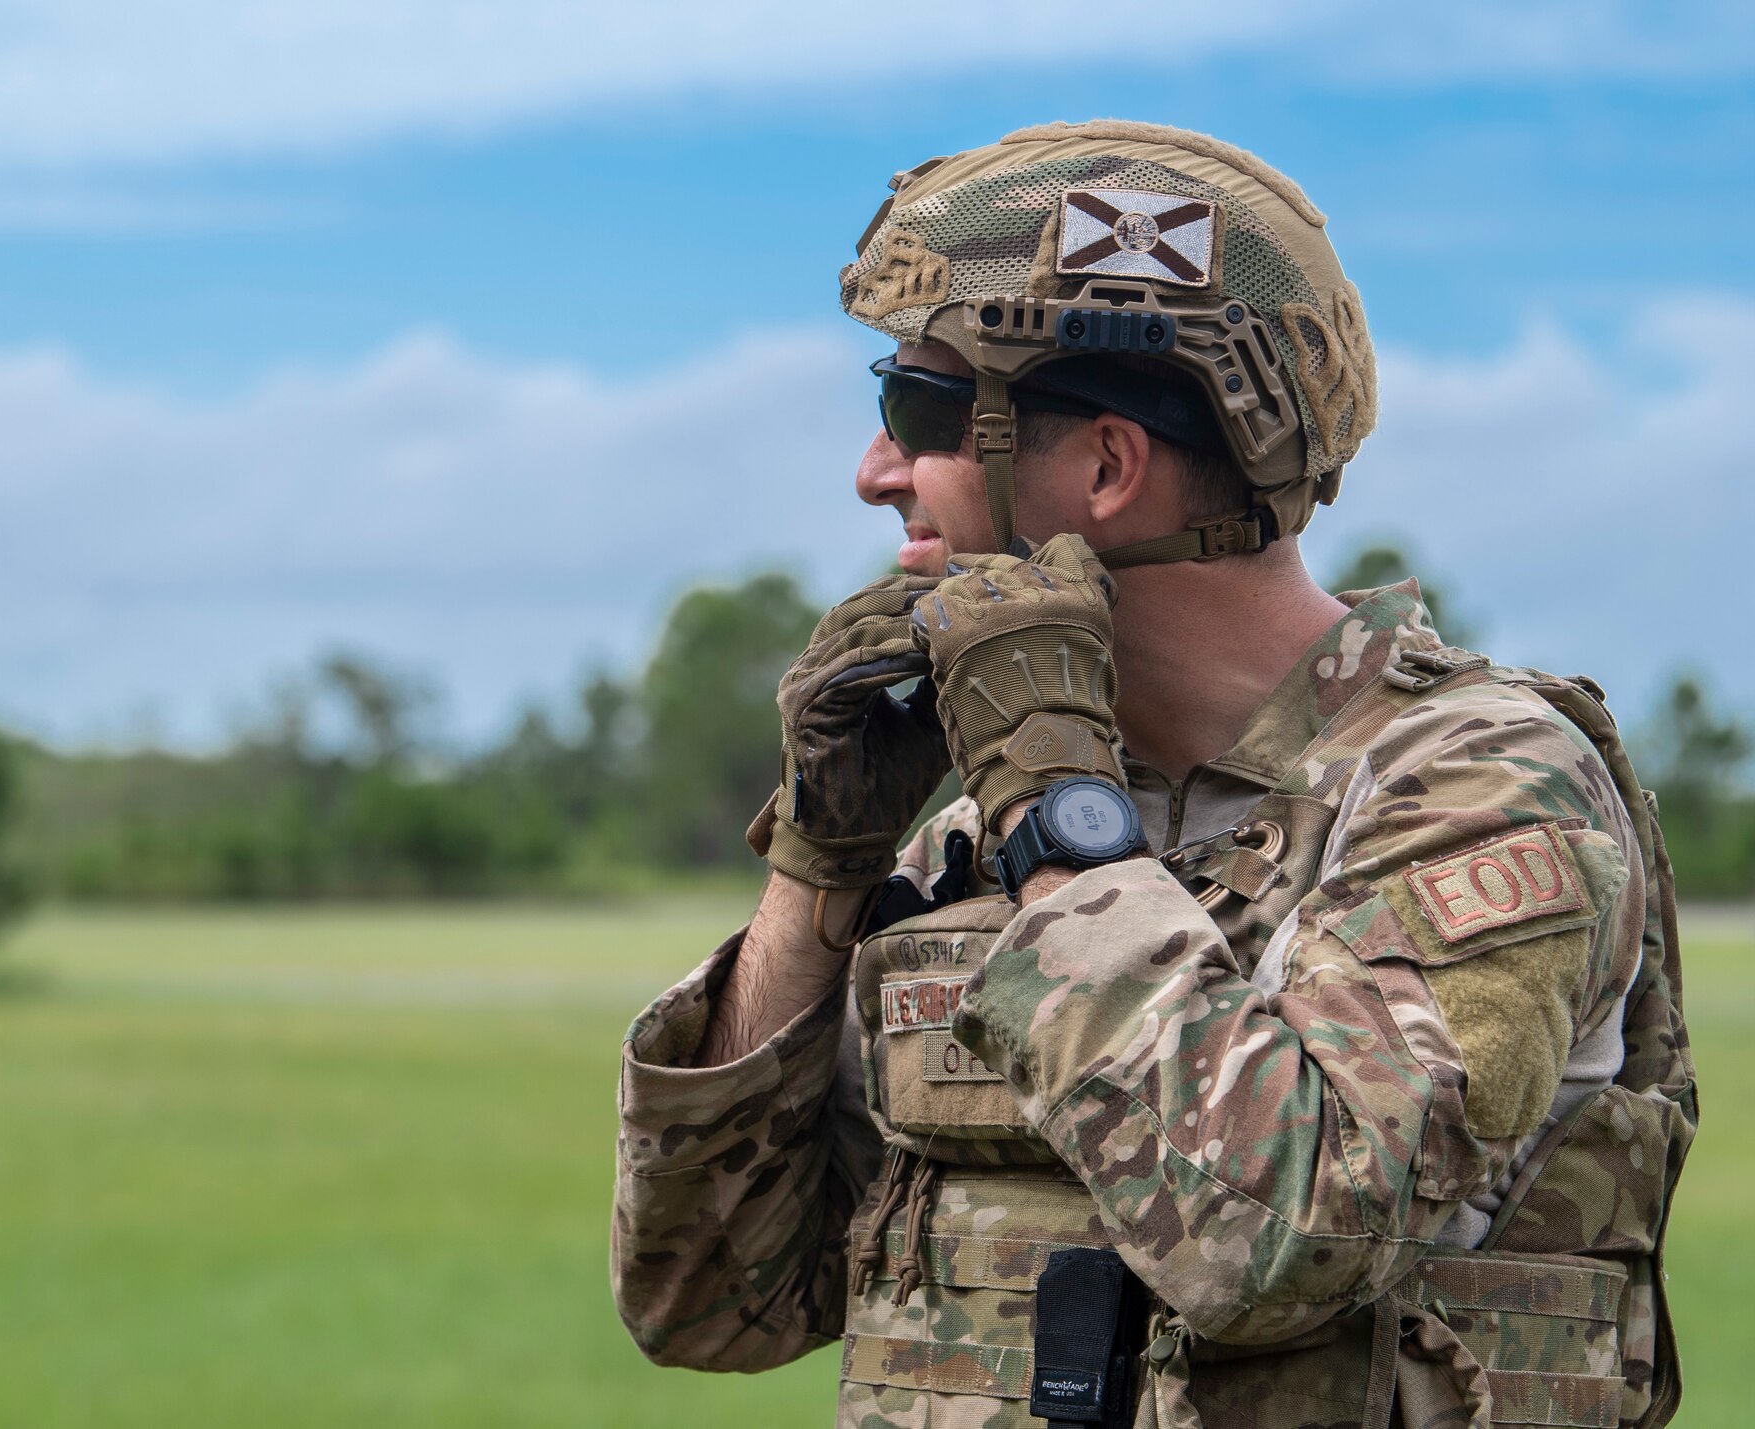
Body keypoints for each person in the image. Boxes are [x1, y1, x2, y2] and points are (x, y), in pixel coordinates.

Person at [610, 121, 1695, 1429]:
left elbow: (1287, 1240)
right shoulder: (979, 825)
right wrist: (819, 872)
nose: (875, 472)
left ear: (1109, 468)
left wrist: (1054, 815)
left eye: (921, 411)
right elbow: (709, 1298)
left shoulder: (1482, 782)